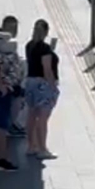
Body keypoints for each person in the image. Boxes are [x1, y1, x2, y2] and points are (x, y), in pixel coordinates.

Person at [0, 16, 23, 172]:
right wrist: (1, 86)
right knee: (1, 126)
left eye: (15, 27)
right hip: (3, 91)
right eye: (10, 27)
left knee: (1, 125)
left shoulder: (8, 45)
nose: (13, 31)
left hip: (9, 89)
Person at [22, 19, 59, 160]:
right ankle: (43, 148)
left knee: (31, 115)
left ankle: (31, 146)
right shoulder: (45, 49)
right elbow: (47, 69)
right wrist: (53, 87)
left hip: (30, 83)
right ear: (46, 32)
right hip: (43, 84)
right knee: (43, 118)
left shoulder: (29, 45)